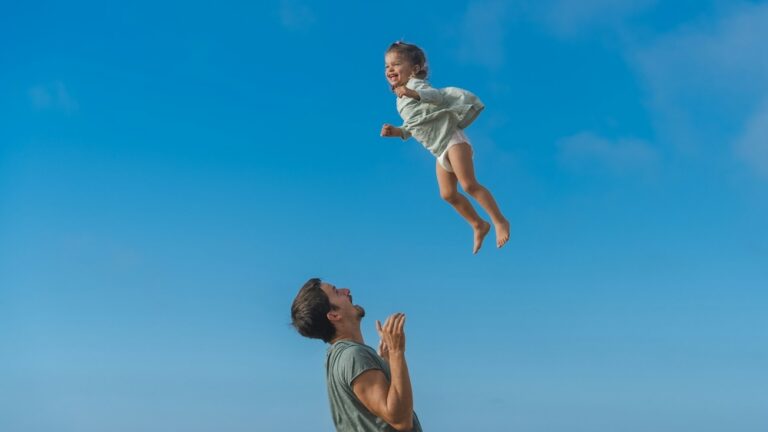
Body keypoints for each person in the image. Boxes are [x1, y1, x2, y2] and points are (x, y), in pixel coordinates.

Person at [381, 41, 511, 254]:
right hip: (440, 151)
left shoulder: (415, 86)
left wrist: (414, 93)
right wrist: (397, 131)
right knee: (448, 194)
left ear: (414, 69)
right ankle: (479, 224)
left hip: (453, 140)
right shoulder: (400, 100)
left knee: (469, 185)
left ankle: (499, 221)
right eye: (387, 66)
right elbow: (416, 123)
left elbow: (437, 97)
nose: (390, 69)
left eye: (396, 64)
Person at [291, 278, 422, 432]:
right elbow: (400, 420)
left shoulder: (339, 358)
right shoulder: (353, 356)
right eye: (337, 292)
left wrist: (389, 361)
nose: (346, 290)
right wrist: (396, 352)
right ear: (333, 315)